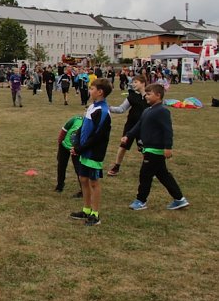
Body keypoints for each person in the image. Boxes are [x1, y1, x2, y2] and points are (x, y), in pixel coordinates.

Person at [123, 83, 190, 211]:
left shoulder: (162, 111)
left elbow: (167, 130)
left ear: (158, 95)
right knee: (163, 175)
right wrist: (128, 135)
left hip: (155, 149)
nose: (146, 96)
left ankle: (141, 200)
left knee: (145, 175)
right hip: (148, 148)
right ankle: (179, 199)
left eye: (149, 94)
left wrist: (168, 147)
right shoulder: (147, 110)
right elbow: (139, 125)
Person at [70, 78, 113, 226]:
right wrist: (76, 143)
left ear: (100, 92)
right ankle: (86, 209)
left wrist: (81, 148)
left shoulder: (103, 111)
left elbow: (97, 137)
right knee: (83, 179)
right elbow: (83, 126)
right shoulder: (92, 107)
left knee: (94, 182)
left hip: (94, 153)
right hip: (84, 151)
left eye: (92, 89)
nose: (89, 91)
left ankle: (95, 214)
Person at [107, 75, 148, 176]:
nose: (133, 84)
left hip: (144, 127)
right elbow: (121, 109)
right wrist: (108, 108)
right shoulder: (132, 96)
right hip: (130, 126)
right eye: (133, 82)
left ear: (143, 83)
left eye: (136, 82)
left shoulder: (149, 96)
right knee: (123, 146)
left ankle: (149, 168)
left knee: (145, 148)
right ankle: (116, 166)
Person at [55, 114, 83, 195]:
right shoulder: (75, 119)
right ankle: (60, 185)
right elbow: (64, 129)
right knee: (61, 165)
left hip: (77, 149)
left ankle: (83, 190)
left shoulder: (91, 124)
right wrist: (60, 141)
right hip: (64, 145)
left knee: (78, 168)